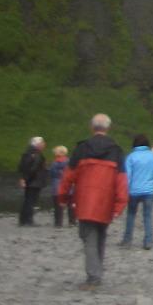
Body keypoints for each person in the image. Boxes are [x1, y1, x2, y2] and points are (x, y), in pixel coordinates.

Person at [58, 113, 128, 290]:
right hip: (106, 201)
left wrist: (63, 197)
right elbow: (121, 180)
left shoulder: (81, 149)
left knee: (88, 237)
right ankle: (97, 272)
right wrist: (120, 204)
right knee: (101, 236)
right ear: (108, 128)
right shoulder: (116, 151)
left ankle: (93, 277)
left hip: (85, 200)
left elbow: (68, 176)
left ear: (92, 127)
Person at [120, 133, 153, 250]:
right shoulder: (152, 157)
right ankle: (148, 241)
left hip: (133, 191)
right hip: (149, 191)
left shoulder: (131, 157)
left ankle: (127, 240)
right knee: (147, 216)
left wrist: (125, 190)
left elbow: (127, 176)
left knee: (131, 215)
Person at [17, 137, 48, 225]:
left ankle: (23, 220)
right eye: (42, 143)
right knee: (31, 201)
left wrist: (23, 178)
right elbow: (34, 168)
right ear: (37, 144)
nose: (44, 145)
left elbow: (21, 167)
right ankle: (28, 220)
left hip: (30, 180)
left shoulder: (27, 153)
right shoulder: (36, 154)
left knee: (27, 200)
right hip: (34, 180)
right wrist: (26, 179)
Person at [48, 145, 71, 227]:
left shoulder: (55, 163)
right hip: (68, 186)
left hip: (57, 185)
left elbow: (52, 173)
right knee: (70, 204)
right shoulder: (69, 162)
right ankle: (72, 221)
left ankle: (58, 222)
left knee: (57, 205)